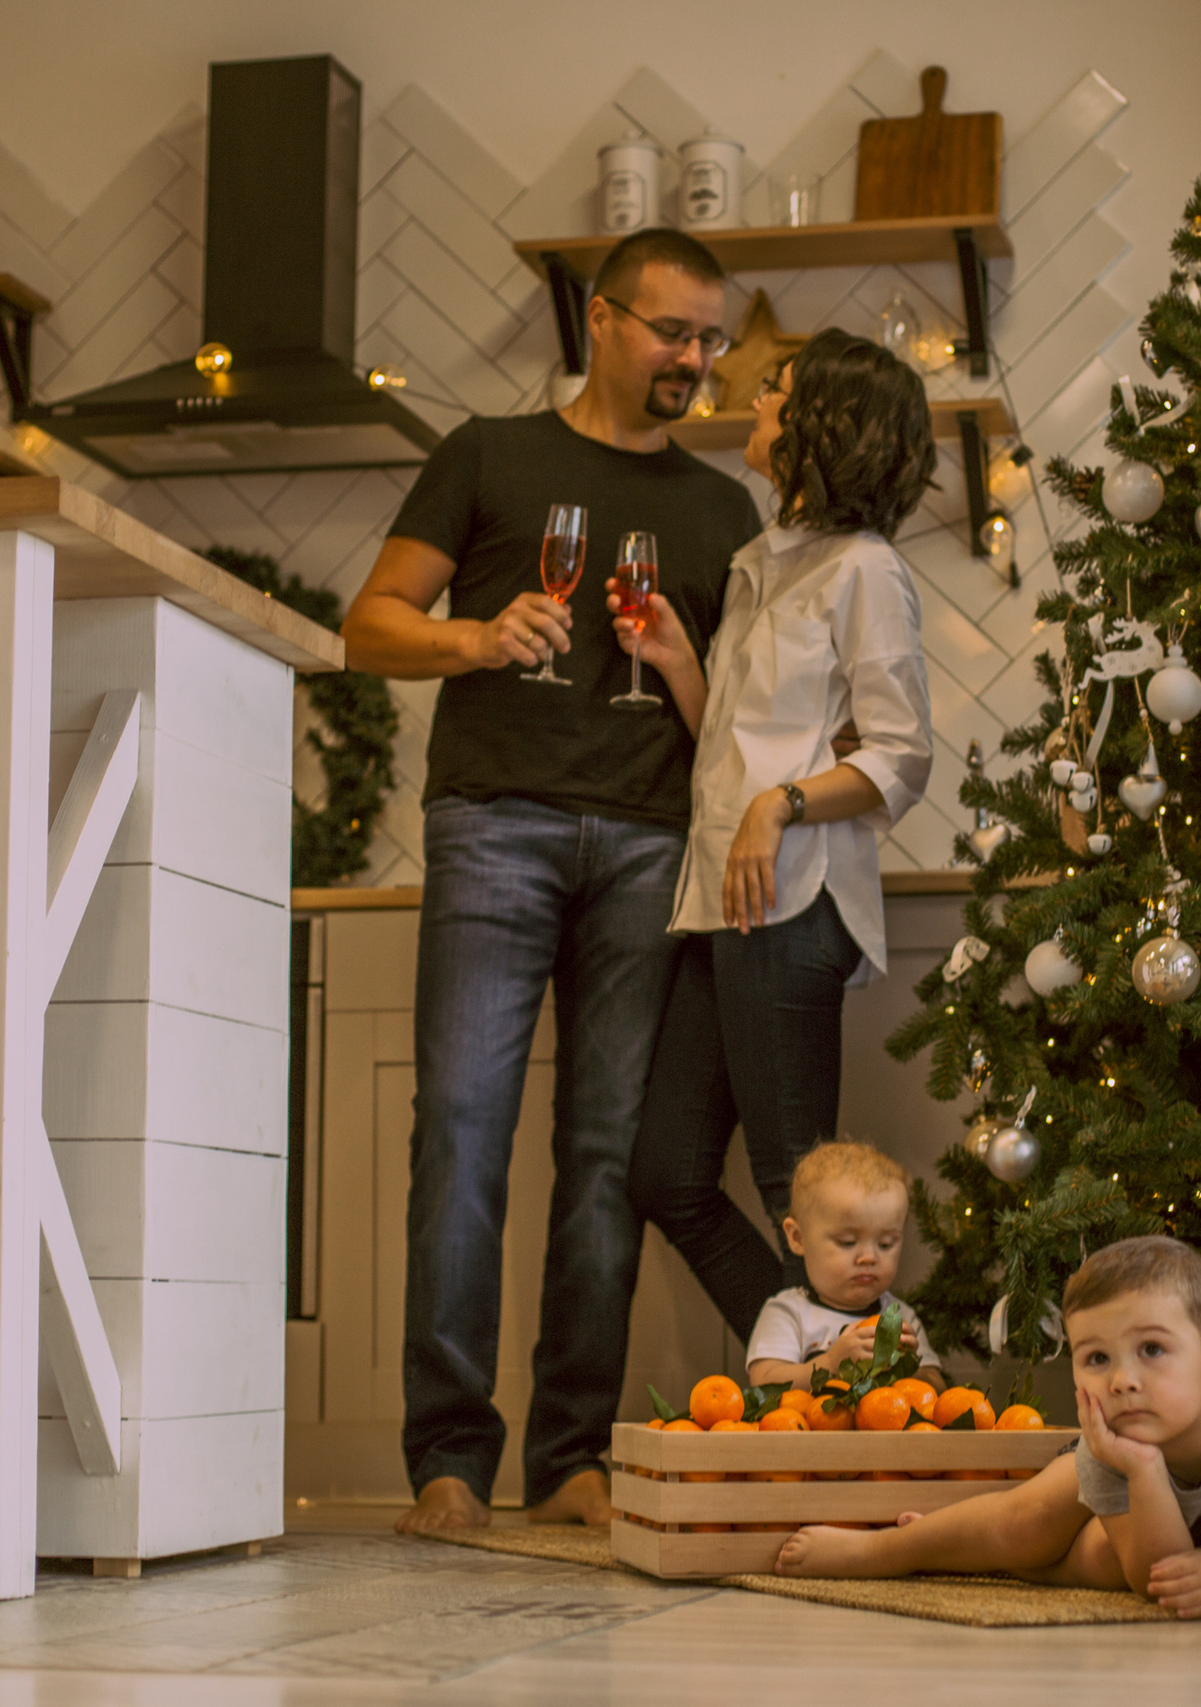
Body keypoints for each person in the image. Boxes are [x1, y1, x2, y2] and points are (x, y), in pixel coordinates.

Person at [342, 228, 763, 1534]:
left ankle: (573, 1452)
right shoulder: (485, 454)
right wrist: (475, 634)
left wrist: (688, 660)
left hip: (650, 845)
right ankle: (449, 1460)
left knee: (602, 1158)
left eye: (710, 338)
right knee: (460, 1135)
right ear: (602, 318)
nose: (695, 359)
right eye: (672, 331)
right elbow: (368, 626)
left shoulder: (720, 508)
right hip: (493, 826)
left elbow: (742, 729)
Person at [614, 328, 935, 1346]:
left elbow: (901, 753)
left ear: (820, 427)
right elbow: (743, 743)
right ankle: (828, 1367)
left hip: (794, 906)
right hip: (724, 904)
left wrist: (781, 806)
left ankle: (861, 1409)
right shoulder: (764, 561)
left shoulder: (864, 571)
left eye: (776, 394)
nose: (754, 405)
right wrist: (677, 665)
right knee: (667, 1173)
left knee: (805, 1194)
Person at [773, 1236, 1201, 1618]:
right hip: (1107, 1467)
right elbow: (1157, 1570)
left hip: (1168, 1538)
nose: (1122, 1380)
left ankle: (968, 1550)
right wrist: (1139, 1463)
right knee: (1025, 1524)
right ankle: (892, 1551)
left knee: (1099, 1566)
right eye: (1097, 1359)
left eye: (1151, 1349)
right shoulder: (1111, 1430)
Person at [743, 1142, 941, 1386]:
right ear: (797, 1238)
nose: (868, 1257)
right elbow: (764, 1383)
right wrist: (830, 1364)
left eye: (886, 1244)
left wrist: (907, 1368)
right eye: (847, 1242)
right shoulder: (789, 1313)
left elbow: (938, 1386)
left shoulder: (899, 1319)